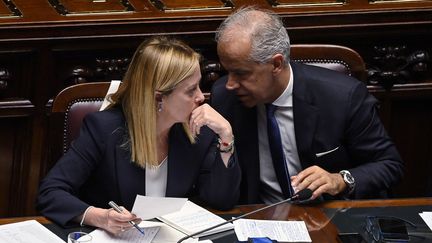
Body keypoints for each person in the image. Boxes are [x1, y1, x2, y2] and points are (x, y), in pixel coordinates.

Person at [37, 36, 240, 234]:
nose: (200, 97)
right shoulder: (104, 129)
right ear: (158, 98)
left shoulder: (198, 130)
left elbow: (221, 200)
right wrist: (100, 217)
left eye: (199, 85)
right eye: (190, 90)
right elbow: (51, 193)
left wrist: (226, 137)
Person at [211, 6, 404, 204]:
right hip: (259, 218)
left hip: (327, 216)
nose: (230, 84)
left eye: (241, 73)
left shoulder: (342, 97)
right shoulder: (225, 98)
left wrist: (340, 180)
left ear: (276, 64)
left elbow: (389, 164)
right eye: (228, 72)